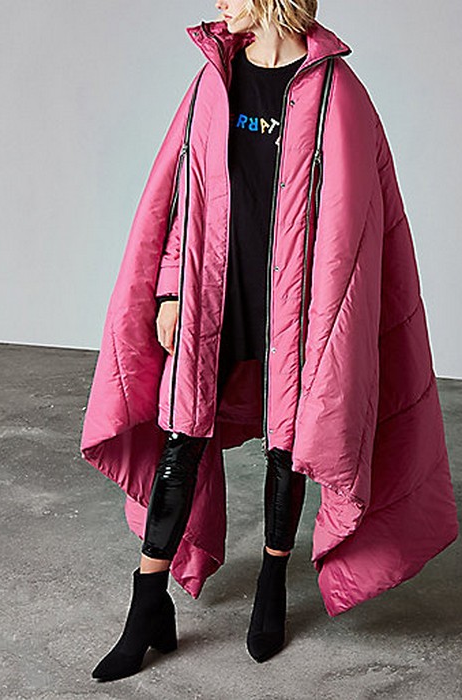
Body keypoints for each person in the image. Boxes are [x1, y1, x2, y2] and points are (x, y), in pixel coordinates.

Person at [92, 0, 315, 681]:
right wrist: (168, 289)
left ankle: (272, 584)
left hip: (295, 299)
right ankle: (147, 604)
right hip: (212, 288)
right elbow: (180, 192)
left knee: (287, 442)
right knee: (181, 436)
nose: (219, 3)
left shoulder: (332, 89)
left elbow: (355, 217)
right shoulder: (215, 80)